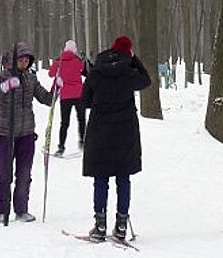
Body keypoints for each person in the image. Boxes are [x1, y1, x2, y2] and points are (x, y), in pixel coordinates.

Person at [81, 35, 151, 241]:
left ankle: (100, 225)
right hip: (125, 130)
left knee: (100, 178)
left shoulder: (96, 71)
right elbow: (146, 80)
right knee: (123, 177)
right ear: (128, 51)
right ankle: (121, 225)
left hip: (100, 130)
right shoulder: (129, 73)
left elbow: (85, 101)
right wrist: (134, 60)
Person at [0, 42, 53, 223]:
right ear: (13, 61)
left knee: (24, 174)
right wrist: (5, 87)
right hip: (4, 135)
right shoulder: (1, 77)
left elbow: (46, 98)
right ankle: (2, 210)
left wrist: (57, 89)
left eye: (27, 60)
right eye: (21, 60)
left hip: (26, 134)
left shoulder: (31, 79)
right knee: (4, 174)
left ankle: (21, 210)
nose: (24, 63)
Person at [48, 40, 86, 157]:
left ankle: (61, 146)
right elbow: (84, 71)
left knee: (64, 122)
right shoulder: (78, 61)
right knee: (81, 119)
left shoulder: (58, 61)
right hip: (79, 94)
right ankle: (83, 142)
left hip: (65, 95)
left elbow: (51, 74)